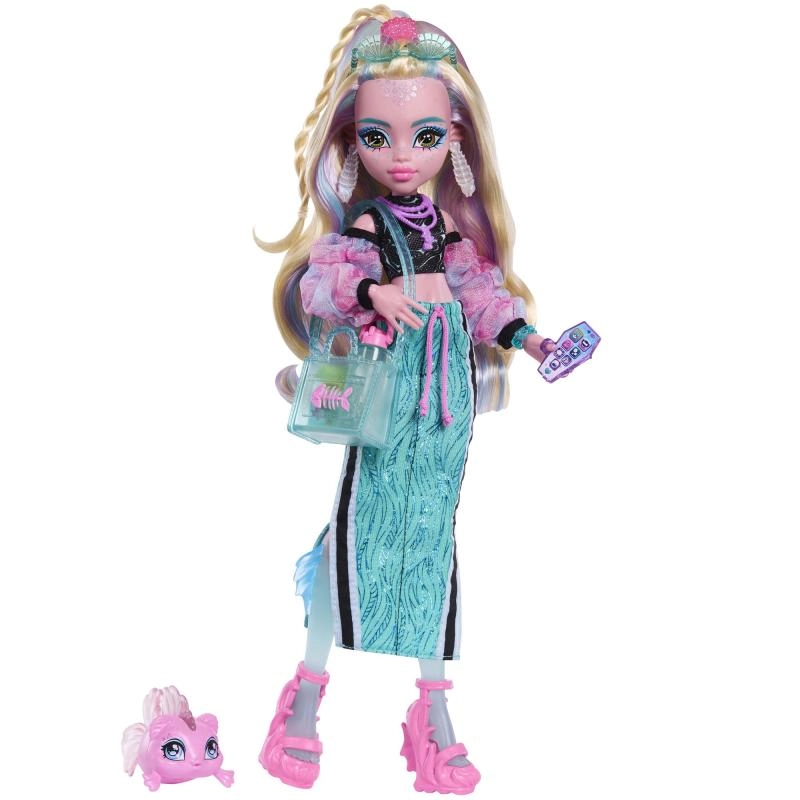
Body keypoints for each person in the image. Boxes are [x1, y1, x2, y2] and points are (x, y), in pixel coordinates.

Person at [257, 7, 556, 794]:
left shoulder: (448, 233)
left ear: (453, 138)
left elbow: (482, 295)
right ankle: (305, 699)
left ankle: (434, 711)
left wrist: (531, 340)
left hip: (445, 405)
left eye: (424, 136)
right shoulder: (367, 223)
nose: (400, 156)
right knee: (360, 533)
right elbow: (323, 281)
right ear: (351, 141)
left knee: (431, 544)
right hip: (389, 395)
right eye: (376, 136)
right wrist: (373, 294)